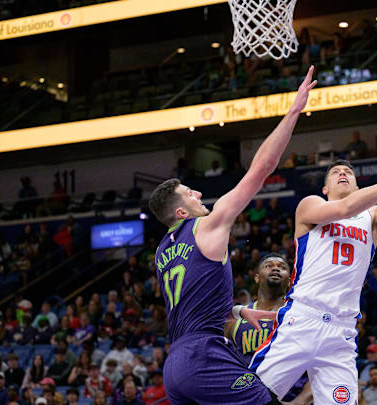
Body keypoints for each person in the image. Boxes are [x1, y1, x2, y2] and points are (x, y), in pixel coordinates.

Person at [146, 67, 317, 405]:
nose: (197, 193)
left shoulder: (162, 250)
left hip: (175, 366)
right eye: (189, 194)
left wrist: (236, 311)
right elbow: (261, 168)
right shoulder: (206, 227)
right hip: (204, 356)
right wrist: (294, 110)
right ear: (180, 212)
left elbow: (194, 301)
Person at [249, 102, 377, 405]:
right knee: (250, 399)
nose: (343, 173)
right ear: (325, 187)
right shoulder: (310, 206)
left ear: (358, 183)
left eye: (348, 171)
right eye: (335, 172)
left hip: (341, 333)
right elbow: (347, 207)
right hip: (302, 319)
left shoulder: (373, 219)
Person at [225, 254, 311, 403]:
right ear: (257, 278)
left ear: (290, 280)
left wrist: (300, 401)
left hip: (288, 398)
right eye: (269, 266)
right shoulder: (235, 321)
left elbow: (321, 366)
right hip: (248, 398)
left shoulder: (303, 317)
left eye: (282, 267)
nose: (276, 268)